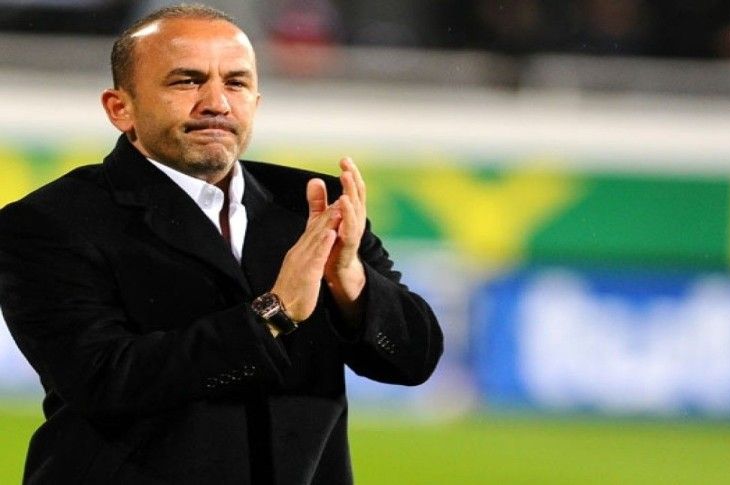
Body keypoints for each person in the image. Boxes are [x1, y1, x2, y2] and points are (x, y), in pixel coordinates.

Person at [0, 4, 443, 484]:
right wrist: (274, 313)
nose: (216, 102)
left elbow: (413, 360)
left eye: (236, 83)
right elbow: (106, 381)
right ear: (119, 108)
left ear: (256, 100)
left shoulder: (312, 205)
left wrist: (350, 280)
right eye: (186, 81)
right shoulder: (48, 222)